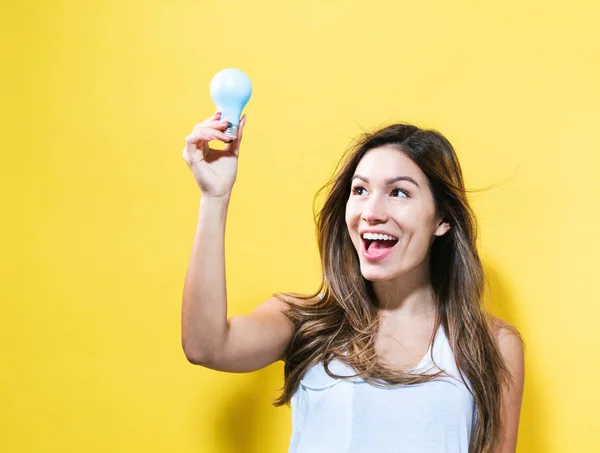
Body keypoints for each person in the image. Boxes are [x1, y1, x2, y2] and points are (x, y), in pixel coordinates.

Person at [180, 111, 525, 453]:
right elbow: (206, 346)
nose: (370, 211)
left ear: (442, 219)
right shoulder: (303, 322)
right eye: (360, 190)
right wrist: (215, 197)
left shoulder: (492, 345)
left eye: (399, 193)